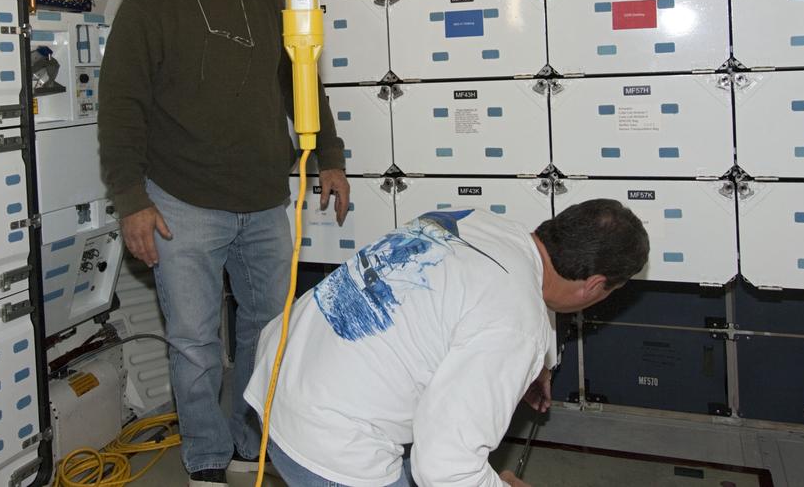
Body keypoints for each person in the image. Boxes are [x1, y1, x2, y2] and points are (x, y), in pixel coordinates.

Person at [98, 0, 349, 486]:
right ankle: (206, 461)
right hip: (179, 203)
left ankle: (246, 443)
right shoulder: (148, 6)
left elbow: (302, 85)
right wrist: (131, 201)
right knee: (193, 344)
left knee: (269, 338)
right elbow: (120, 108)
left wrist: (331, 157)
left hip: (264, 203)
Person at [245, 199, 650, 487]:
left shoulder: (476, 219)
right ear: (596, 286)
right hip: (329, 449)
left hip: (278, 384)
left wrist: (533, 358)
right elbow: (445, 469)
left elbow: (487, 297)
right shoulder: (513, 326)